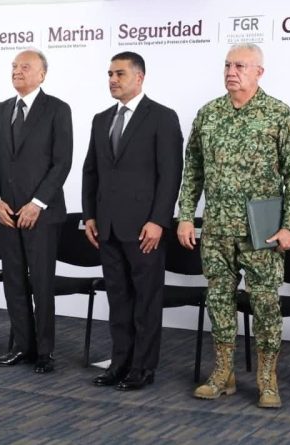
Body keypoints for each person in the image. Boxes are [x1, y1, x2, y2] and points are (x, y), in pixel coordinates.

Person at [177, 43, 290, 408]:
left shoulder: (277, 114)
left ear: (259, 72)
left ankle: (268, 379)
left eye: (240, 66)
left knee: (265, 306)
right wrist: (186, 215)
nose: (231, 72)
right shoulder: (208, 114)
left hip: (261, 232)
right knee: (219, 303)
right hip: (217, 230)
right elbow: (193, 171)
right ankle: (224, 373)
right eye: (227, 65)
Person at [82, 52, 183, 391]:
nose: (113, 79)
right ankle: (119, 363)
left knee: (146, 301)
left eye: (120, 74)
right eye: (110, 74)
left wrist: (158, 221)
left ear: (139, 77)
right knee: (118, 300)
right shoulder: (101, 119)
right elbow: (91, 171)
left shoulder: (162, 117)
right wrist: (89, 215)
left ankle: (142, 367)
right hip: (107, 227)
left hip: (144, 229)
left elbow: (170, 174)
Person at [0, 48, 72, 374]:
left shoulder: (57, 109)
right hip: (7, 213)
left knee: (42, 284)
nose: (17, 71)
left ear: (41, 74)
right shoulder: (3, 108)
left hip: (42, 215)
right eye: (14, 66)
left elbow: (62, 162)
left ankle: (45, 352)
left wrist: (37, 203)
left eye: (25, 66)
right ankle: (22, 346)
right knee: (14, 282)